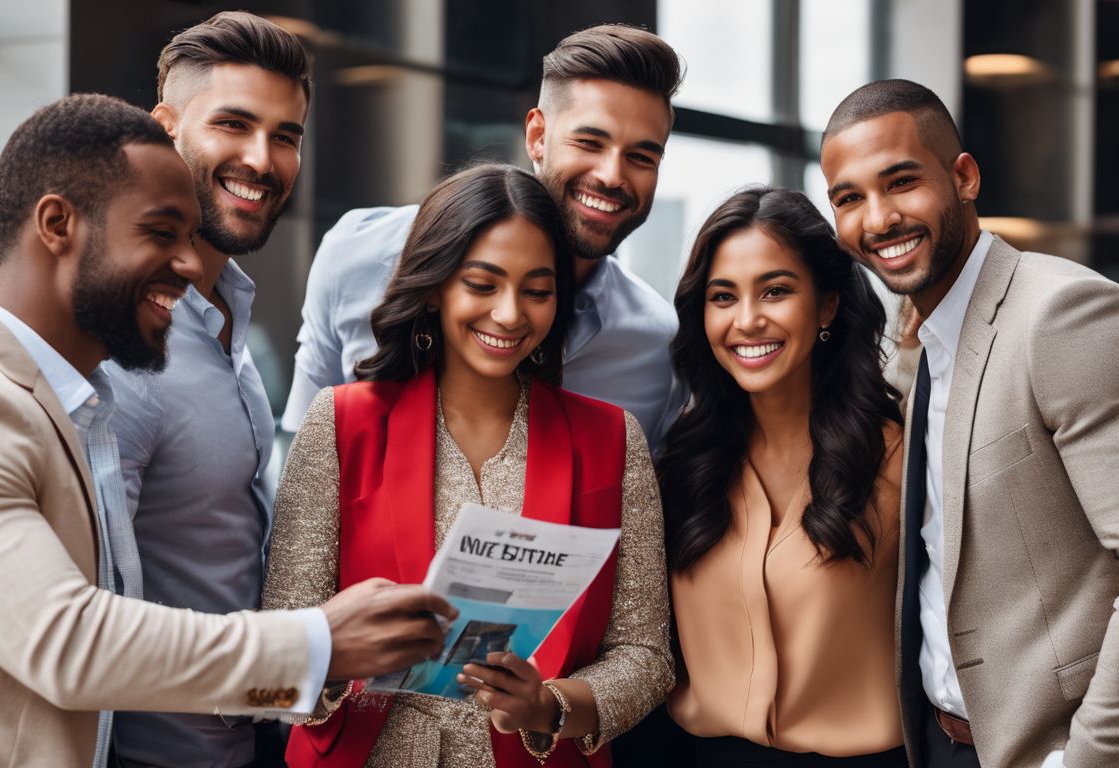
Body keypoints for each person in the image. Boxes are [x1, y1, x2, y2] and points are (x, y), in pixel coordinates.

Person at [0, 93, 456, 767]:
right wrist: (317, 643)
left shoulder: (79, 404)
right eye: (160, 233)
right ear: (57, 223)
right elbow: (68, 643)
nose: (189, 264)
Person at [263, 164, 673, 768]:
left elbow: (646, 656)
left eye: (537, 290)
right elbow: (273, 652)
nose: (510, 315)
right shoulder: (341, 424)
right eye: (482, 284)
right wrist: (337, 658)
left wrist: (548, 706)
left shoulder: (612, 440)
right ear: (434, 286)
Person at [820, 78, 1119, 768]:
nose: (879, 218)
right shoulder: (919, 343)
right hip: (942, 743)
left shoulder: (1061, 314)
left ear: (964, 177)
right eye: (849, 199)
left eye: (901, 182)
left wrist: (1084, 760)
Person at [282, 24, 685, 447]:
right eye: (589, 142)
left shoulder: (652, 344)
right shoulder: (360, 253)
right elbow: (302, 453)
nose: (611, 175)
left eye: (641, 157)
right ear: (537, 137)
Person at [100, 12, 311, 767]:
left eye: (285, 136)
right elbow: (86, 614)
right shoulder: (120, 347)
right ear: (165, 129)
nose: (263, 158)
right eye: (235, 124)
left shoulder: (233, 321)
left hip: (246, 742)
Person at [660, 187, 906, 767]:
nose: (747, 320)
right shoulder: (683, 462)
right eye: (724, 296)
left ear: (826, 306)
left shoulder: (903, 461)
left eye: (775, 291)